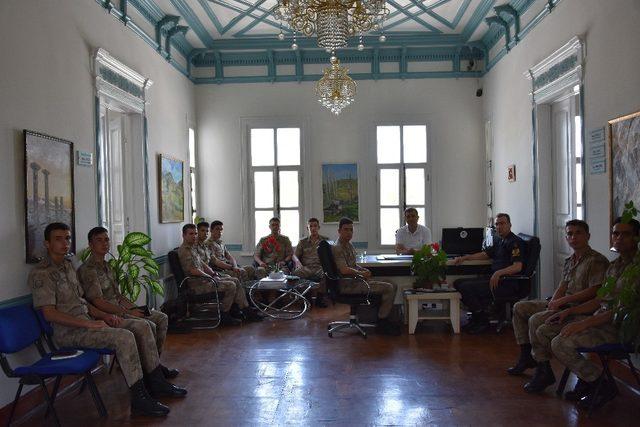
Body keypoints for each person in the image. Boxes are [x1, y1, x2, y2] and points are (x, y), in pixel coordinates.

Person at [29, 223, 186, 418]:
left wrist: (105, 316)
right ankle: (140, 398)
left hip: (89, 323)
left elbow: (83, 303)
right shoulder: (42, 273)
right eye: (58, 239)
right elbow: (49, 314)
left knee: (142, 326)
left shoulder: (68, 266)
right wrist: (90, 322)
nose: (65, 243)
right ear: (47, 243)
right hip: (69, 334)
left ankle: (154, 381)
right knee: (125, 337)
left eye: (68, 238)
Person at [541, 218, 639, 407]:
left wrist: (584, 323)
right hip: (601, 322)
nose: (618, 238)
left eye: (625, 234)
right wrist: (569, 311)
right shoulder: (615, 266)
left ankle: (600, 385)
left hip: (621, 329)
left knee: (560, 343)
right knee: (550, 329)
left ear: (636, 237)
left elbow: (621, 309)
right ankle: (590, 382)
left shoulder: (636, 270)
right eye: (615, 233)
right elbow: (601, 300)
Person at [506, 220, 609, 390]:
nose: (573, 237)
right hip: (564, 305)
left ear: (588, 236)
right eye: (569, 234)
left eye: (578, 233)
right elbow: (563, 286)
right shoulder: (570, 260)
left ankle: (543, 367)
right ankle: (527, 357)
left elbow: (594, 291)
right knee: (520, 307)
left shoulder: (596, 260)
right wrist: (553, 303)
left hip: (581, 309)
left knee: (536, 321)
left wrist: (562, 302)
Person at [77, 226, 180, 379]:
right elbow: (97, 302)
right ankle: (151, 372)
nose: (104, 243)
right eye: (99, 241)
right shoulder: (87, 270)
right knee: (148, 325)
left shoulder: (109, 267)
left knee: (161, 318)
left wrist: (134, 308)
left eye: (106, 240)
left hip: (121, 310)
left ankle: (153, 364)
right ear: (90, 245)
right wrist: (127, 312)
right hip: (107, 315)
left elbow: (117, 295)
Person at [453, 213, 524, 334]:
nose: (499, 227)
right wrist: (466, 258)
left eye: (502, 223)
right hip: (494, 278)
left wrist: (499, 273)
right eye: (497, 224)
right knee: (458, 283)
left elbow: (518, 267)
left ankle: (482, 320)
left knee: (466, 287)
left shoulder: (515, 242)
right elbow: (486, 254)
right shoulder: (500, 240)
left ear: (510, 225)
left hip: (506, 282)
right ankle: (478, 316)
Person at [332, 217, 400, 335]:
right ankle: (382, 323)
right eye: (346, 229)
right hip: (348, 285)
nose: (349, 232)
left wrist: (362, 269)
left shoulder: (349, 245)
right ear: (339, 231)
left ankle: (382, 318)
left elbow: (352, 265)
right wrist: (362, 273)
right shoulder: (337, 248)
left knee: (393, 283)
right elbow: (344, 270)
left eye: (351, 230)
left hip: (355, 280)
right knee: (388, 287)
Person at [178, 224, 247, 326]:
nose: (194, 236)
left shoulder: (192, 248)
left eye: (195, 233)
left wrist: (213, 274)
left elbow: (203, 264)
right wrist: (209, 277)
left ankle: (241, 309)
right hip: (197, 286)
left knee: (235, 280)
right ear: (183, 235)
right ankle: (224, 315)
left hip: (205, 281)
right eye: (191, 234)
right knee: (230, 285)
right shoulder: (184, 250)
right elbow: (193, 270)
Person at [292, 218, 329, 307]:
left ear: (318, 227)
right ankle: (306, 298)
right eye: (310, 226)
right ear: (307, 228)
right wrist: (297, 262)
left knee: (327, 274)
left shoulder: (325, 240)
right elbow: (294, 255)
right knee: (296, 273)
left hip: (320, 267)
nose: (313, 228)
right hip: (306, 268)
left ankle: (320, 299)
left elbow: (330, 255)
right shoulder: (302, 242)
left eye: (315, 226)